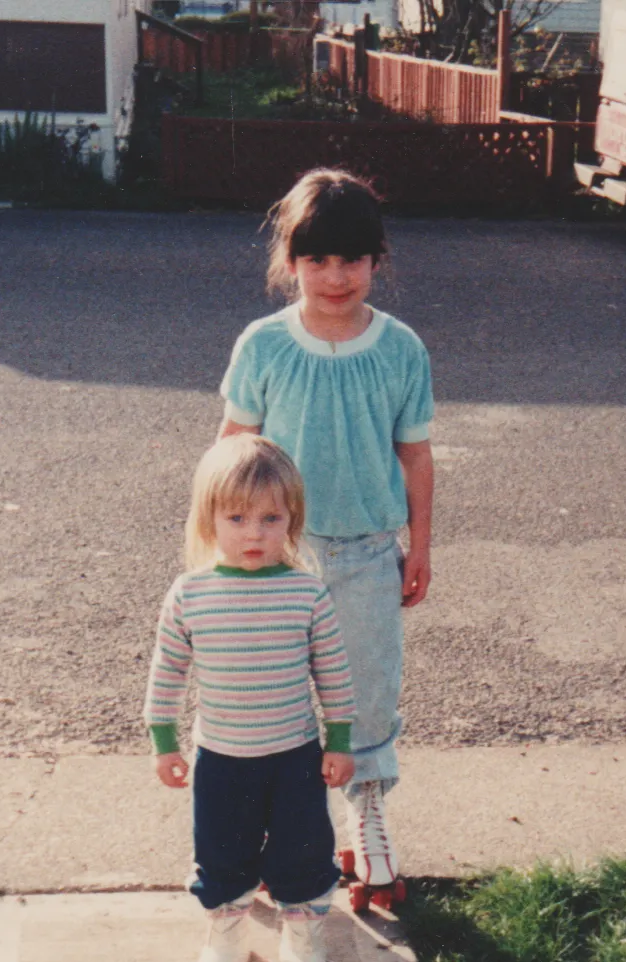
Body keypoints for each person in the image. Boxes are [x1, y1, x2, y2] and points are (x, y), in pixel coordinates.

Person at [216, 168, 434, 892]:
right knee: (271, 696)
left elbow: (415, 453)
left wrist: (421, 547)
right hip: (275, 556)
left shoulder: (401, 348)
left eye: (351, 260)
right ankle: (273, 830)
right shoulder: (263, 344)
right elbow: (234, 449)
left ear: (377, 260)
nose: (334, 277)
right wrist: (221, 547)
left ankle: (366, 811)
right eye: (316, 260)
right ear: (290, 262)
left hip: (368, 552)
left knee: (365, 692)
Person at [144, 434, 356, 962]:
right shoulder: (191, 594)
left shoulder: (307, 594)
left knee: (302, 847)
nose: (255, 532)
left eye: (270, 517)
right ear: (209, 519)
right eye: (236, 517)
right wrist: (164, 741)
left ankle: (304, 935)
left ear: (292, 518)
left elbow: (332, 672)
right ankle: (226, 933)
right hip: (221, 756)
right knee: (222, 847)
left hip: (294, 756)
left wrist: (340, 740)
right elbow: (167, 673)